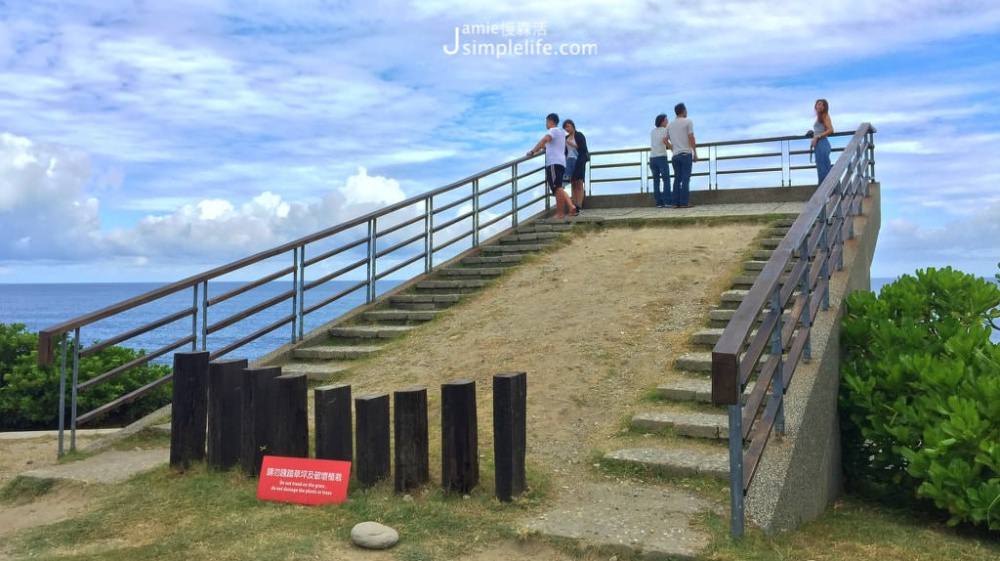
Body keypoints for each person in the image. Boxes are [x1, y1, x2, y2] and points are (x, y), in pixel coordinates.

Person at [527, 113, 577, 218]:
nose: (546, 124)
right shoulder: (561, 132)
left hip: (553, 163)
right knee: (559, 187)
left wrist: (532, 151)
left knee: (557, 188)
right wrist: (540, 149)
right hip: (561, 162)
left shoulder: (552, 131)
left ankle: (560, 213)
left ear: (550, 121)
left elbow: (545, 140)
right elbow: (549, 145)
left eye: (546, 122)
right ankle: (570, 206)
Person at [666, 103, 697, 208]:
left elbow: (665, 139)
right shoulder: (688, 121)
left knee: (677, 179)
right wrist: (695, 153)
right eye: (686, 110)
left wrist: (672, 147)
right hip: (686, 154)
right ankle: (684, 203)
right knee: (685, 179)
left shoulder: (670, 124)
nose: (687, 112)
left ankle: (675, 203)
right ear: (683, 111)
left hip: (675, 156)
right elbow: (691, 137)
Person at [563, 119, 589, 211]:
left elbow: (583, 148)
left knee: (579, 183)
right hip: (569, 161)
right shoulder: (565, 138)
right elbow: (564, 151)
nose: (567, 128)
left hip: (579, 160)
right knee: (573, 183)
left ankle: (579, 205)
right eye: (565, 127)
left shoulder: (579, 135)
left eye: (568, 126)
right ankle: (574, 205)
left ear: (573, 126)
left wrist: (571, 144)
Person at [649, 113, 672, 207]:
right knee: (666, 180)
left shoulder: (652, 131)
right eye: (666, 120)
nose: (667, 122)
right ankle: (667, 202)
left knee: (656, 181)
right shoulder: (665, 130)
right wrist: (672, 147)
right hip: (661, 157)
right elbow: (665, 141)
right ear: (662, 121)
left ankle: (659, 202)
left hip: (652, 158)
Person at [811, 99, 834, 184]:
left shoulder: (825, 115)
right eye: (818, 104)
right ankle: (825, 189)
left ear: (825, 107)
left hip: (822, 143)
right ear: (815, 106)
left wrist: (817, 137)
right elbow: (820, 129)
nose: (819, 106)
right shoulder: (819, 117)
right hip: (819, 145)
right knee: (821, 168)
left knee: (823, 169)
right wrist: (813, 135)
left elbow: (831, 130)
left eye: (822, 105)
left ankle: (825, 190)